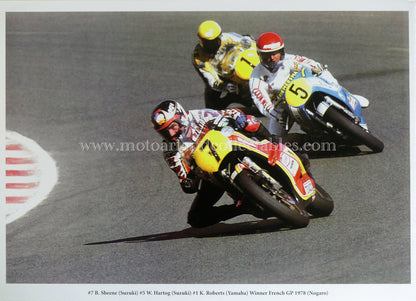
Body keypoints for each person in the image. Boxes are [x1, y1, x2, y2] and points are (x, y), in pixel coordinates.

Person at [151, 99, 277, 228]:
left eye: (172, 127)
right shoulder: (170, 150)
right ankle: (243, 207)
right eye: (164, 132)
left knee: (249, 121)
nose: (170, 134)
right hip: (211, 172)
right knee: (196, 218)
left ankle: (276, 144)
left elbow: (230, 113)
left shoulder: (197, 116)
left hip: (230, 147)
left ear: (181, 117)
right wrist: (186, 180)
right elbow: (188, 184)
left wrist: (236, 119)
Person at [249, 31, 369, 138]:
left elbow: (308, 63)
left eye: (276, 53)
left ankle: (344, 95)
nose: (272, 58)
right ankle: (310, 140)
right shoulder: (256, 77)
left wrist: (318, 69)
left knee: (322, 74)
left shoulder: (289, 59)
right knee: (273, 140)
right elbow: (261, 100)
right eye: (267, 55)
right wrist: (274, 114)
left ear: (282, 51)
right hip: (283, 107)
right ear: (260, 55)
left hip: (306, 89)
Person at [193, 20, 258, 112]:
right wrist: (225, 86)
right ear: (200, 39)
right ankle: (231, 97)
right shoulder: (199, 58)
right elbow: (211, 79)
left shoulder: (228, 38)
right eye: (206, 42)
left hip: (240, 65)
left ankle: (248, 96)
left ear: (220, 36)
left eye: (212, 42)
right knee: (211, 110)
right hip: (221, 76)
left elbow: (249, 42)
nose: (209, 45)